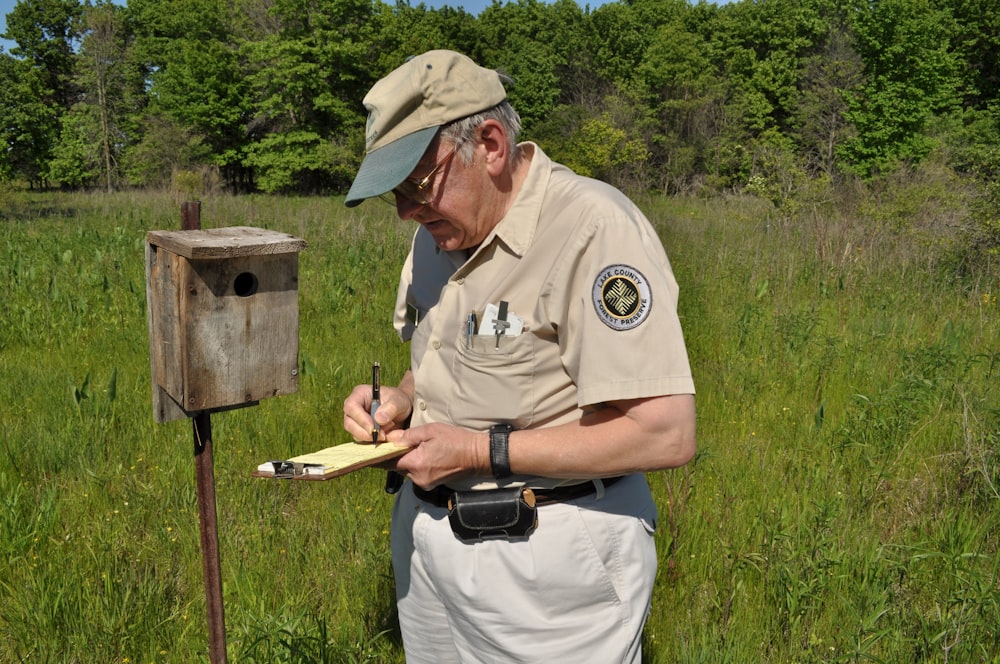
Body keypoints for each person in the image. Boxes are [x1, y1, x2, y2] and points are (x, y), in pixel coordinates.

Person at [342, 50, 696, 663]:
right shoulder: (439, 233)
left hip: (547, 573)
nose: (406, 212)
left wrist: (481, 450)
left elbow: (665, 433)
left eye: (416, 187)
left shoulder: (592, 229)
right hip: (426, 550)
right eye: (393, 195)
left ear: (491, 144)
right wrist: (401, 401)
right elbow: (440, 358)